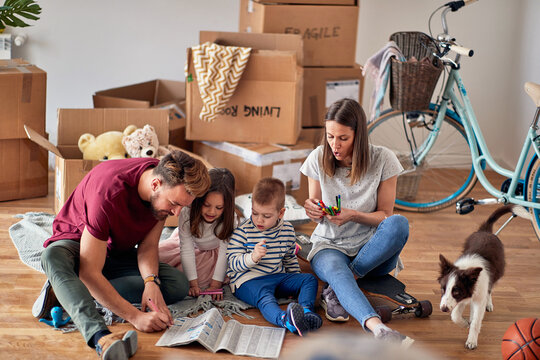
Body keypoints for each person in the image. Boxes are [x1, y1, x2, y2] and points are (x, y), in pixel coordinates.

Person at [32, 150, 210, 360]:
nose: (177, 213)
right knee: (52, 258)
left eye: (183, 206)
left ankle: (70, 290)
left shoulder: (165, 180)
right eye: (174, 204)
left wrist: (150, 282)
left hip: (114, 250)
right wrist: (135, 316)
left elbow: (148, 246)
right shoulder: (107, 193)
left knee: (176, 284)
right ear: (155, 185)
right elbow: (89, 271)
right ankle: (100, 337)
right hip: (77, 245)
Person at [299, 98, 412, 344]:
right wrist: (312, 209)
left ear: (358, 135)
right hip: (329, 245)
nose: (334, 145)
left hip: (371, 252)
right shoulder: (319, 156)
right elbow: (314, 204)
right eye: (330, 136)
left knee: (399, 224)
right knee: (337, 270)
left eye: (342, 138)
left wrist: (353, 215)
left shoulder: (383, 159)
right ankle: (379, 329)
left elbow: (385, 215)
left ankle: (340, 286)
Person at [226, 177, 322, 336]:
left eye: (266, 215)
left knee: (309, 279)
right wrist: (252, 257)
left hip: (276, 276)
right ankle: (286, 320)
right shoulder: (243, 231)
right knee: (265, 298)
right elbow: (232, 264)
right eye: (255, 213)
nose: (259, 220)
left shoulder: (287, 231)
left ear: (281, 213)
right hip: (248, 280)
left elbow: (289, 257)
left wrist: (294, 283)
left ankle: (305, 312)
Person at [158, 168, 236, 301]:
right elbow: (186, 249)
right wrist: (192, 284)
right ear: (199, 200)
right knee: (157, 258)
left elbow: (224, 253)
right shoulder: (187, 213)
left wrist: (215, 284)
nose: (212, 212)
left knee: (200, 276)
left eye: (219, 207)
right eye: (206, 205)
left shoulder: (230, 218)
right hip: (190, 246)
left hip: (214, 253)